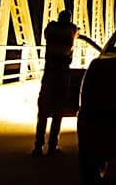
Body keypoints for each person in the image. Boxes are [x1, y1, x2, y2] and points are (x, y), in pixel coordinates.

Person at [32, 9, 79, 156]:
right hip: (63, 74)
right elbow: (75, 33)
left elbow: (46, 33)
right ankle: (53, 146)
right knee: (58, 110)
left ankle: (38, 146)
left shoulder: (51, 28)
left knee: (43, 111)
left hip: (49, 72)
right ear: (69, 19)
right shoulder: (71, 29)